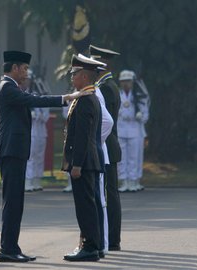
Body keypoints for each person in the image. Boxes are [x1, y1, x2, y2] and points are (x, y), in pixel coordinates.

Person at [0, 50, 89, 263]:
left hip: (15, 151)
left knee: (16, 202)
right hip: (11, 151)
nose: (27, 73)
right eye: (25, 68)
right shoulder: (7, 87)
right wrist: (67, 98)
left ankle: (11, 246)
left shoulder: (11, 86)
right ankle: (7, 249)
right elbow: (35, 100)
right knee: (12, 202)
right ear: (15, 68)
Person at [62, 54, 105, 262]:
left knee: (85, 206)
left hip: (84, 163)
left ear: (85, 77)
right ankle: (92, 245)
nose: (72, 78)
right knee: (88, 204)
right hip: (87, 162)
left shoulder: (86, 100)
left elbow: (82, 137)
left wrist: (77, 164)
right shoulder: (86, 97)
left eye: (75, 74)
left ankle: (90, 247)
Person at [89, 44, 123, 251]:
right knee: (110, 192)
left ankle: (112, 239)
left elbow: (105, 121)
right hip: (110, 144)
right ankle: (112, 238)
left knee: (109, 194)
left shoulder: (106, 88)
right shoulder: (108, 86)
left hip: (107, 145)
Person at [117, 70, 149, 192]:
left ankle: (133, 180)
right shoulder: (117, 94)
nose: (125, 84)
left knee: (134, 157)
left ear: (132, 82)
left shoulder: (139, 96)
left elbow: (145, 114)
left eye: (128, 81)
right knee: (122, 157)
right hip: (121, 129)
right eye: (123, 81)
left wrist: (141, 115)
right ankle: (124, 181)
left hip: (135, 129)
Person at [24, 70, 50, 192]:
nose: (27, 81)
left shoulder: (36, 95)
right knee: (30, 156)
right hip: (30, 130)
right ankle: (28, 181)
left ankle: (37, 180)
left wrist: (39, 115)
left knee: (39, 156)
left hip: (41, 130)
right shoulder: (22, 95)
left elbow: (46, 114)